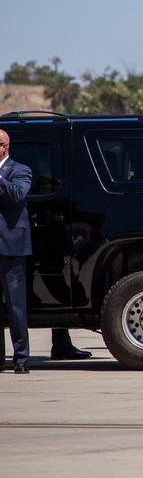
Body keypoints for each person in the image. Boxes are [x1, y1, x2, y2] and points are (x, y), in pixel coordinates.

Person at [0, 129, 32, 373]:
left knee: (16, 307)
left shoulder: (20, 170)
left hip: (11, 248)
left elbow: (18, 194)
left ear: (4, 146)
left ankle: (21, 358)